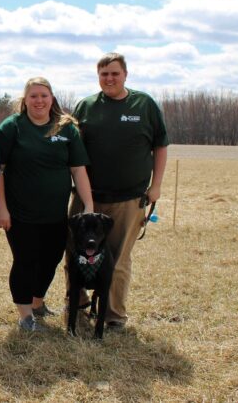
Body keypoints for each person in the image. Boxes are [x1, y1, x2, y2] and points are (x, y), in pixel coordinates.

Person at [67, 52, 168, 330]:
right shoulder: (86, 106)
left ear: (125, 74)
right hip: (87, 197)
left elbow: (160, 146)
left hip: (129, 199)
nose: (109, 78)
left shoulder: (144, 104)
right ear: (98, 76)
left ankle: (113, 316)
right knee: (74, 254)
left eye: (114, 73)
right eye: (104, 74)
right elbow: (72, 149)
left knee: (118, 258)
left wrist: (155, 186)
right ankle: (77, 303)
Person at [0, 77, 94, 332]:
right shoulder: (12, 127)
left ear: (52, 99)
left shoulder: (66, 128)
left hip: (55, 215)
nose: (39, 101)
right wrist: (1, 208)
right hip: (20, 215)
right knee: (25, 261)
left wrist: (89, 206)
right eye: (33, 96)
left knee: (51, 260)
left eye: (44, 96)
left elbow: (78, 170)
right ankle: (25, 314)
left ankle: (38, 302)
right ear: (24, 100)